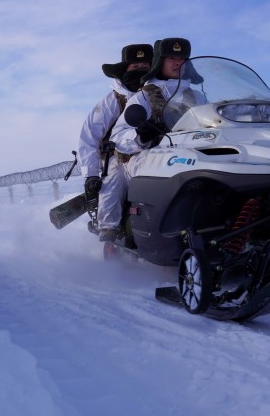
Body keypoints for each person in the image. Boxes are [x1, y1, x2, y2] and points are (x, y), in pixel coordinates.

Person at [77, 43, 153, 254]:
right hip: (118, 157)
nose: (141, 69)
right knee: (112, 186)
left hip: (155, 154)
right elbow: (89, 137)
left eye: (146, 65)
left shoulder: (160, 94)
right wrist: (91, 174)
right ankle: (109, 241)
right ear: (125, 69)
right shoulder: (113, 101)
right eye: (136, 65)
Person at [110, 37, 203, 167]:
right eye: (172, 58)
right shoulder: (143, 97)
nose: (178, 63)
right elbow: (117, 137)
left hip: (195, 158)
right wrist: (140, 136)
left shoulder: (197, 97)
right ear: (159, 62)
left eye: (182, 59)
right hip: (153, 164)